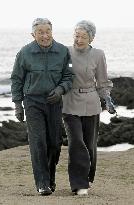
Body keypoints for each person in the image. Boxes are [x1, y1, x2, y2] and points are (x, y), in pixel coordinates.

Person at [11, 18, 74, 196]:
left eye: (48, 31)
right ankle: (42, 183)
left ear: (52, 32)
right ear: (33, 34)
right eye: (40, 32)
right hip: (32, 102)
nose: (45, 35)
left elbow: (69, 76)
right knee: (38, 143)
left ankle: (50, 177)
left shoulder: (63, 52)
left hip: (54, 102)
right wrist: (18, 105)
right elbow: (16, 79)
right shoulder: (24, 53)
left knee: (55, 143)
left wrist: (61, 89)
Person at [62, 20, 116, 195]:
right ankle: (79, 184)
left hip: (91, 104)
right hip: (69, 103)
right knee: (76, 143)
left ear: (91, 38)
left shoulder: (98, 55)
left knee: (90, 145)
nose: (78, 39)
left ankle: (87, 177)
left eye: (83, 36)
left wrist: (107, 100)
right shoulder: (65, 52)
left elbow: (102, 82)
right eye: (76, 35)